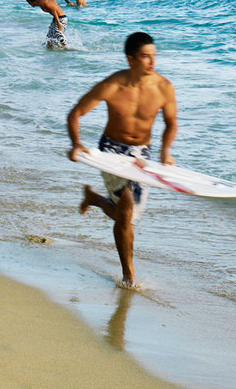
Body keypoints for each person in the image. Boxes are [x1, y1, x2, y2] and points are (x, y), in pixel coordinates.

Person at [67, 32, 177, 288]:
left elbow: (171, 123)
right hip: (111, 151)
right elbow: (76, 113)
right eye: (145, 56)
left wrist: (166, 151)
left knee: (129, 218)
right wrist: (76, 144)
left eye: (154, 55)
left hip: (141, 153)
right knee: (126, 213)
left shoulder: (163, 87)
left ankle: (93, 198)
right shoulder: (113, 85)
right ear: (130, 59)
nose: (152, 62)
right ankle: (129, 275)